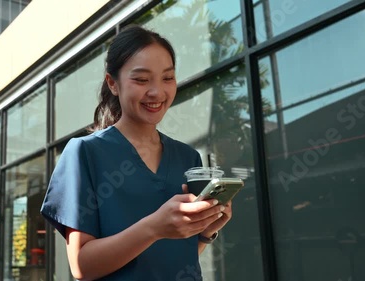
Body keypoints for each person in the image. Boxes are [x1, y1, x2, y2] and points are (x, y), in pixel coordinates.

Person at [40, 25, 233, 281]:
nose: (157, 92)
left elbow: (176, 256)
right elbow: (81, 266)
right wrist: (153, 227)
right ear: (113, 84)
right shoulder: (85, 152)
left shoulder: (188, 158)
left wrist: (206, 231)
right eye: (141, 79)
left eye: (167, 78)